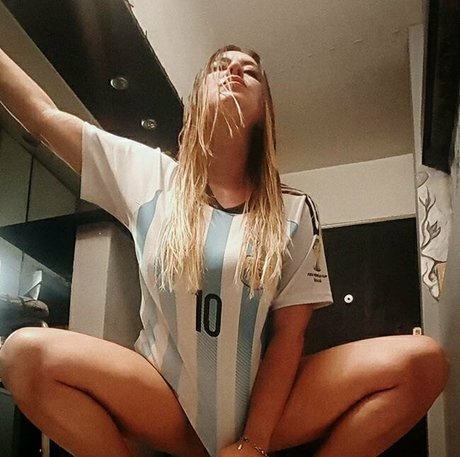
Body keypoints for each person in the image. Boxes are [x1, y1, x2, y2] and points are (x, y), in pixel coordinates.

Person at [0, 44, 449, 457]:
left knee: (423, 363)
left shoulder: (293, 210)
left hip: (260, 404)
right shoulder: (147, 175)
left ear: (264, 109)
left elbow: (289, 337)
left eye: (249, 71)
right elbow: (42, 116)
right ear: (196, 97)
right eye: (220, 66)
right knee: (25, 353)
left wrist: (254, 442)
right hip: (162, 397)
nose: (234, 70)